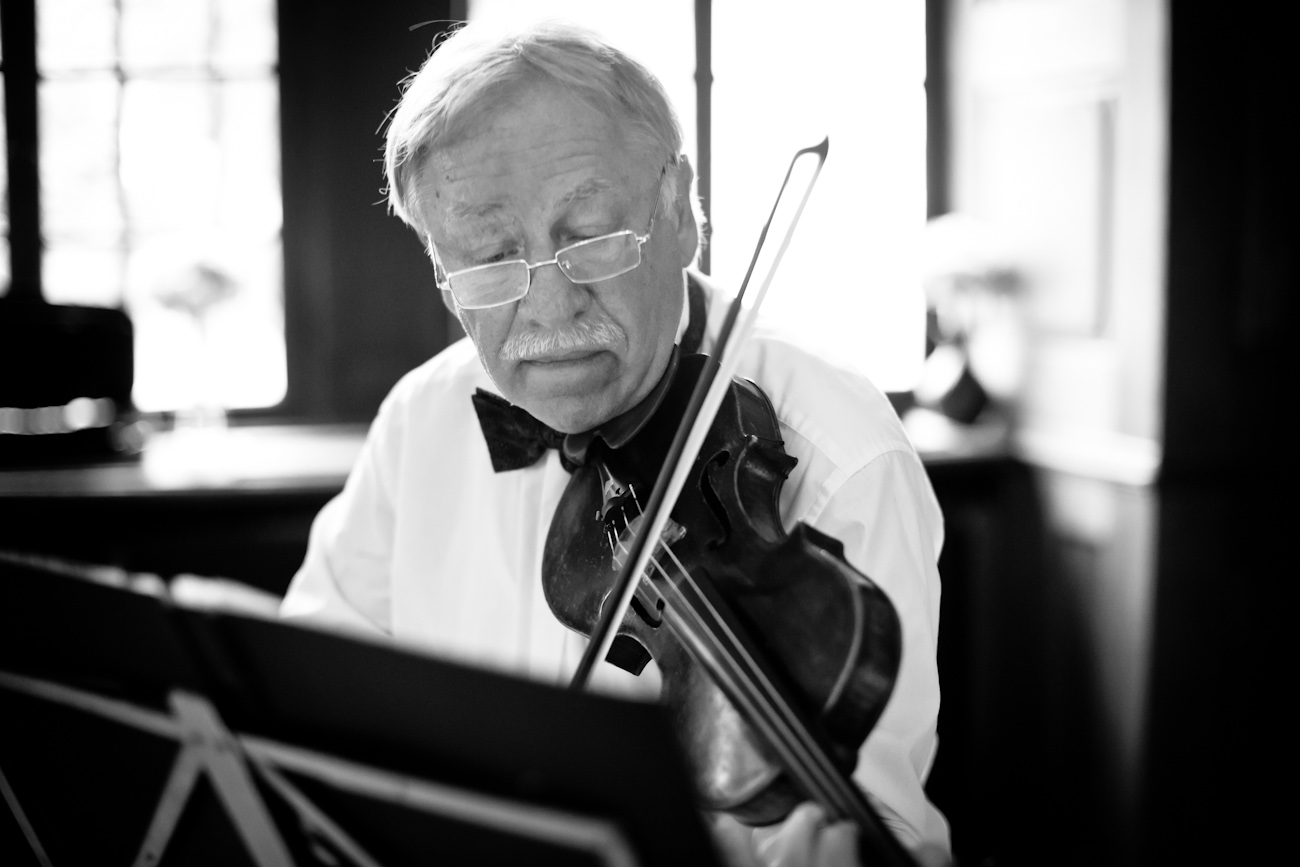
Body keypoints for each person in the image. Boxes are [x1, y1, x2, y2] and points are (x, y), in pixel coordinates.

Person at [281, 20, 950, 867]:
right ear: (439, 272)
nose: (549, 312)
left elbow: (875, 822)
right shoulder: (426, 417)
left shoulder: (841, 452)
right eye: (489, 259)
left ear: (680, 210)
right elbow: (313, 686)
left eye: (589, 237)